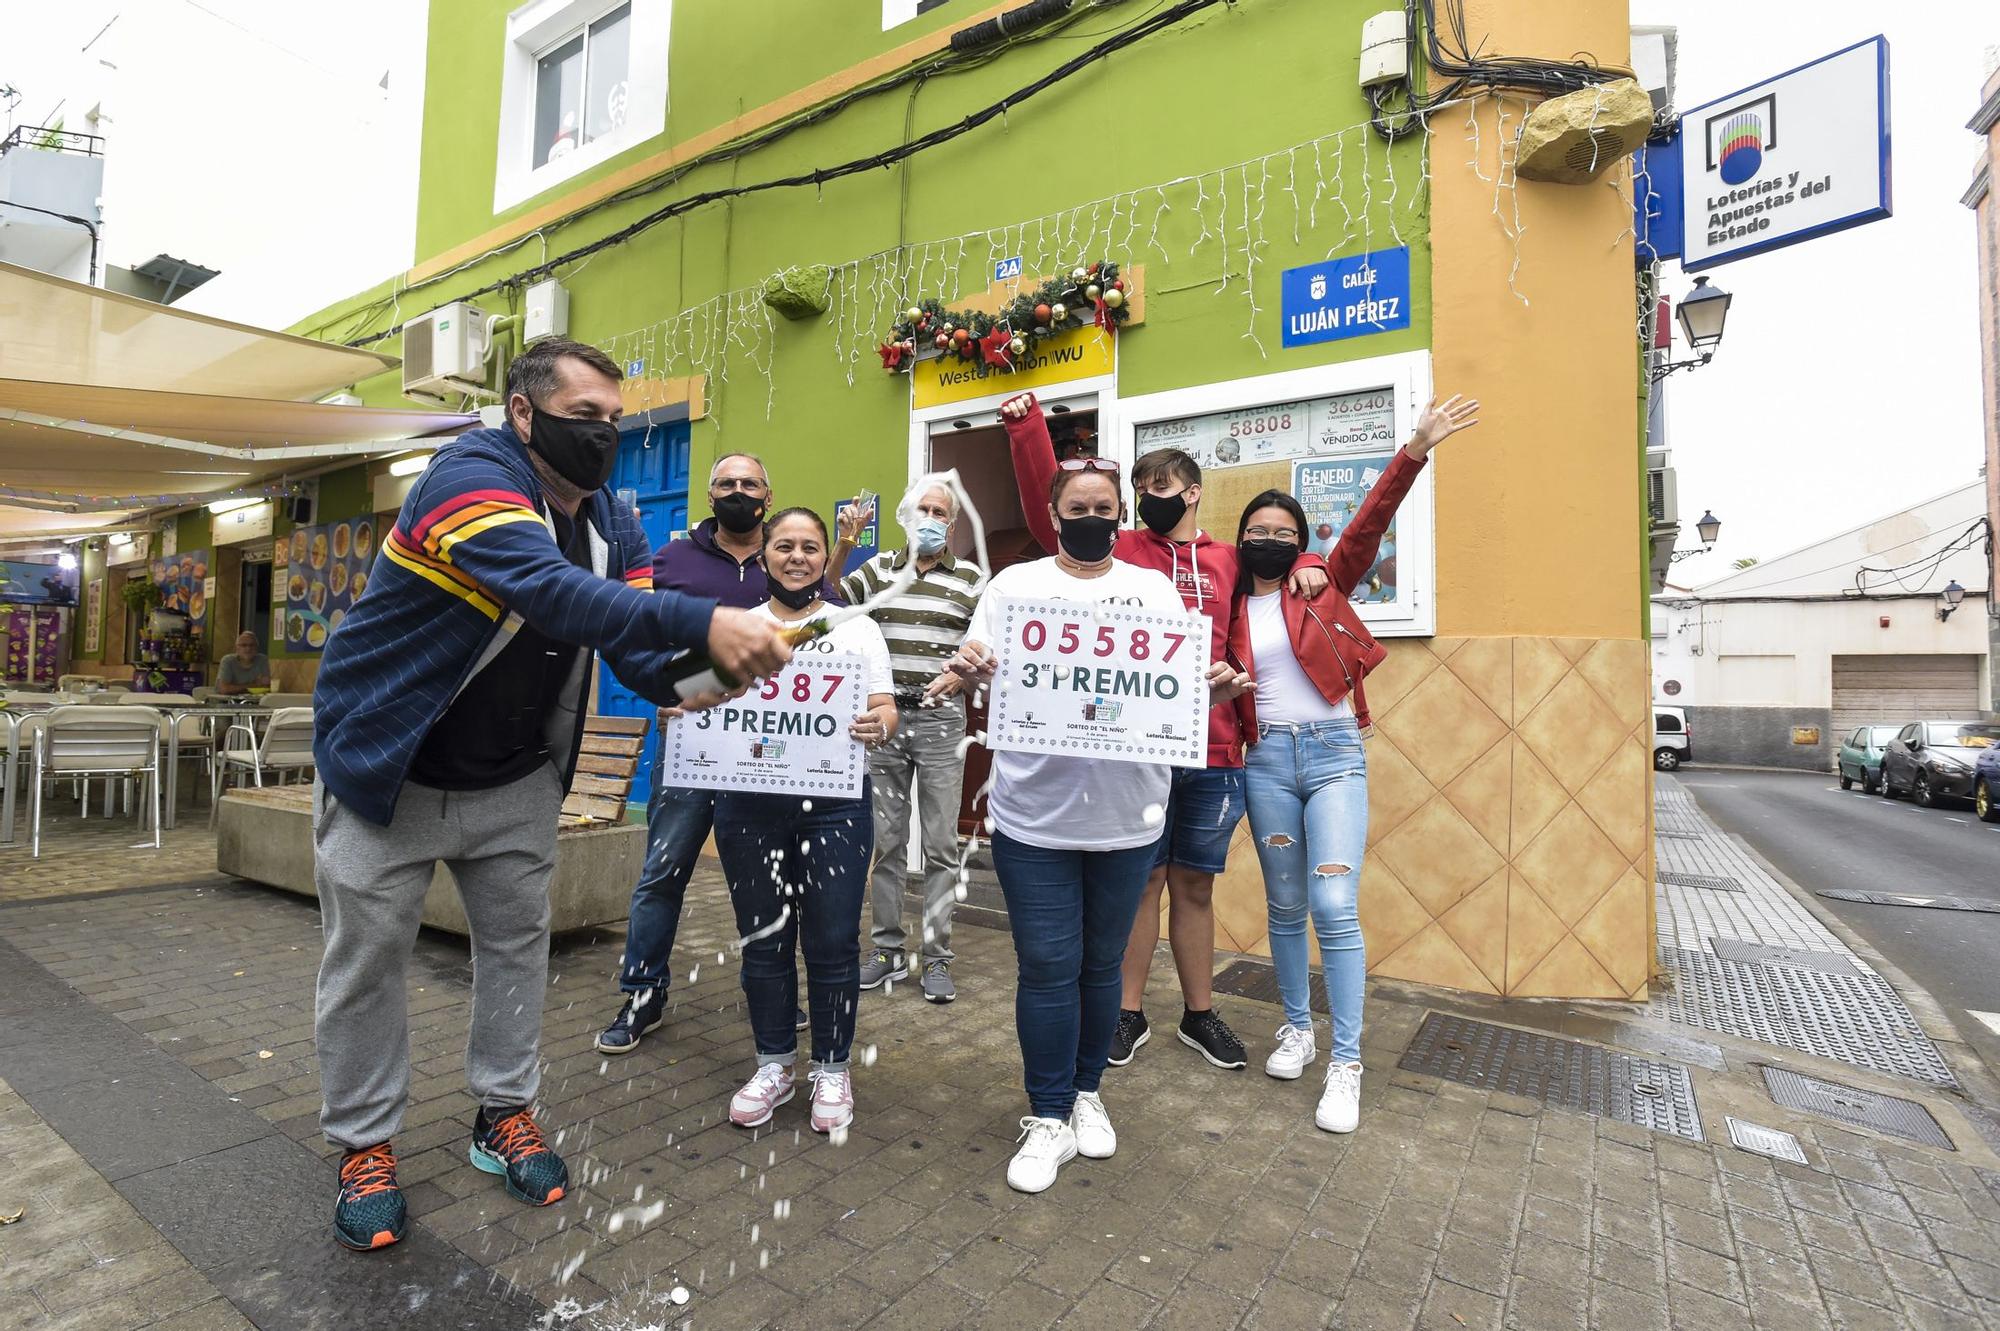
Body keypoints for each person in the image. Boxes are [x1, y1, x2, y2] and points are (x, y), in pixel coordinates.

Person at [310, 337, 789, 1252]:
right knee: (366, 963)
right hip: (389, 769)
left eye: (614, 419)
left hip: (516, 778)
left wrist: (702, 678)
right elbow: (551, 591)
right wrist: (712, 618)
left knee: (517, 955)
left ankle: (503, 1114)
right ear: (523, 413)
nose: (604, 437)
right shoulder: (465, 479)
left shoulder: (618, 518)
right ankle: (365, 1144)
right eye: (584, 419)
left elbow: (642, 659)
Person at [1001, 394, 1325, 1075]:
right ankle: (1127, 1012)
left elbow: (1283, 568)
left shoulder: (1231, 559)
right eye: (1140, 492)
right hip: (1133, 751)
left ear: (1193, 492)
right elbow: (1047, 512)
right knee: (1142, 884)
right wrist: (1028, 428)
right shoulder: (1124, 549)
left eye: (1161, 490)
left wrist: (1306, 563)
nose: (1149, 501)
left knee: (1196, 885)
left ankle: (1200, 1013)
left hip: (1213, 750)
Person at [946, 458, 1238, 1194]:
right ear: (1054, 512)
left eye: (1105, 505)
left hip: (1128, 816)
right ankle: (1046, 1115)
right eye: (1077, 504)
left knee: (1101, 967)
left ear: (1120, 513)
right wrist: (972, 665)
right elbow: (981, 668)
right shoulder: (1012, 588)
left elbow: (1173, 684)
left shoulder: (1151, 588)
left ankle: (1085, 1094)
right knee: (1047, 966)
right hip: (1033, 816)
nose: (1092, 515)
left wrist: (1211, 681)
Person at [1232, 394, 1480, 1133]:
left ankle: (1347, 1062)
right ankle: (1298, 1030)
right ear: (1239, 539)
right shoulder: (1225, 605)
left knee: (1334, 905)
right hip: (1266, 759)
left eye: (1287, 534)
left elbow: (1370, 521)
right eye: (1258, 531)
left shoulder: (1326, 579)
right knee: (1283, 906)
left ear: (1304, 544)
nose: (1270, 540)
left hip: (1336, 758)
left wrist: (1414, 447)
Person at [596, 451, 809, 1056]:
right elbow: (630, 637)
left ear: (769, 494)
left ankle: (775, 993)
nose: (738, 491)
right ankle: (642, 993)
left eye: (750, 483)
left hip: (772, 748)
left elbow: (817, 641)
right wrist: (672, 689)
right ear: (709, 494)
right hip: (689, 740)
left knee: (771, 877)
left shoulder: (788, 559)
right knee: (663, 872)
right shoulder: (669, 561)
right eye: (726, 483)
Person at [718, 508, 897, 1135]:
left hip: (837, 808)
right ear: (763, 554)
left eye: (811, 547)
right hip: (749, 806)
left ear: (827, 557)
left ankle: (832, 1066)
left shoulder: (856, 628)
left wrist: (881, 724)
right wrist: (677, 713)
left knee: (831, 941)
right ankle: (774, 1063)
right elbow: (699, 696)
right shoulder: (736, 627)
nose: (798, 557)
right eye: (785, 546)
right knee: (764, 941)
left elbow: (883, 706)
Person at [831, 475, 985, 1004]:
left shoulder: (972, 580)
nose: (931, 518)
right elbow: (830, 601)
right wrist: (845, 544)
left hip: (943, 724)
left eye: (940, 512)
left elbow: (990, 653)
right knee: (888, 842)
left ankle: (938, 957)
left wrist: (964, 677)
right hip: (885, 723)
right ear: (902, 516)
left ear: (953, 523)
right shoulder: (877, 571)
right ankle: (887, 951)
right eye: (921, 509)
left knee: (942, 845)